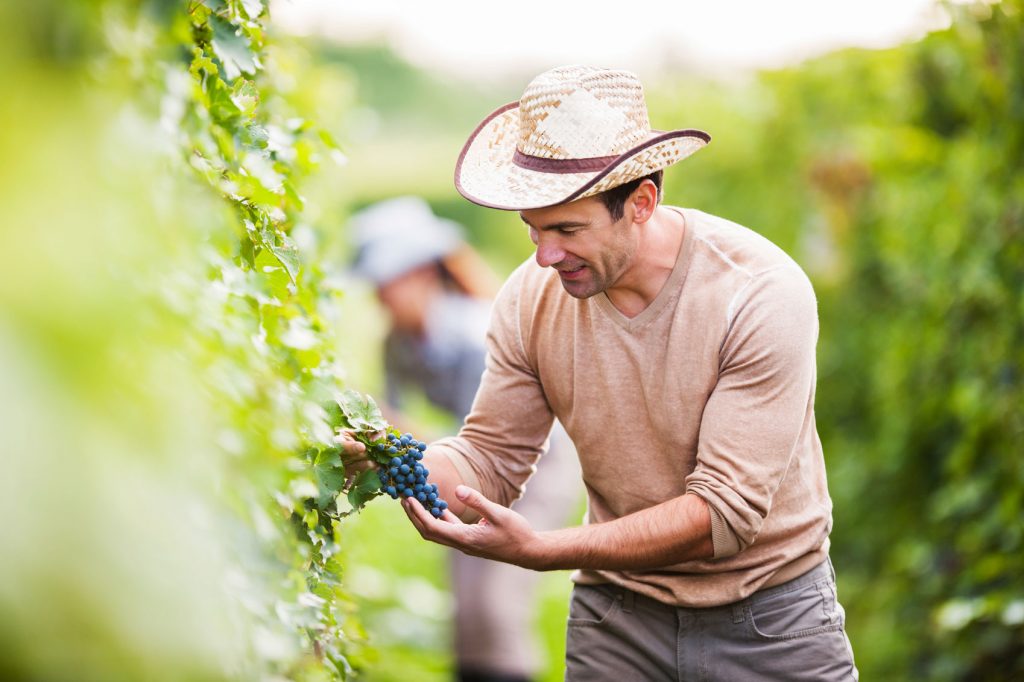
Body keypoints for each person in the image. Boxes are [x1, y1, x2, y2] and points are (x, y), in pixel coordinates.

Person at [341, 65, 858, 680]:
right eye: (532, 229)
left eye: (566, 229)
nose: (544, 255)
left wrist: (542, 550)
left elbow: (724, 515)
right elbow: (491, 457)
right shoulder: (530, 297)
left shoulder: (758, 293)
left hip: (770, 622)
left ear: (641, 201)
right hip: (616, 621)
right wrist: (388, 458)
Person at [348, 196, 582, 682]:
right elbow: (392, 416)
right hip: (470, 465)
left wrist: (392, 436)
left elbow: (487, 442)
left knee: (496, 599)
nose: (382, 298)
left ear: (422, 274)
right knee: (467, 600)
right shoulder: (398, 343)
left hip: (536, 467)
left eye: (388, 284)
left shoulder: (473, 334)